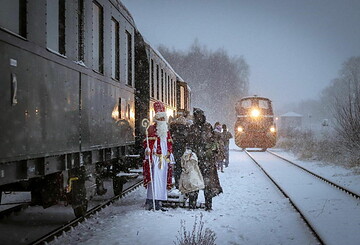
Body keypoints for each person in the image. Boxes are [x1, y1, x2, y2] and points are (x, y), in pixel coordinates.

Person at [187, 108, 222, 211]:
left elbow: (213, 142)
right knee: (194, 183)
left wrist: (212, 149)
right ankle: (192, 204)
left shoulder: (207, 127)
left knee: (208, 185)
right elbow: (189, 142)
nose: (197, 117)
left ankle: (208, 205)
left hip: (207, 161)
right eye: (196, 116)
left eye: (199, 115)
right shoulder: (193, 128)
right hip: (196, 161)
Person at [143, 101, 175, 211]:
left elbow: (169, 144)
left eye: (163, 119)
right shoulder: (151, 130)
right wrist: (148, 151)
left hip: (164, 159)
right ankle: (152, 200)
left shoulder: (166, 131)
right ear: (156, 119)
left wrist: (170, 155)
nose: (162, 121)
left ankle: (159, 200)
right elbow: (147, 143)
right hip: (156, 159)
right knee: (154, 180)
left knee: (162, 180)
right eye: (160, 119)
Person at [169, 115, 189, 189]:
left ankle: (177, 182)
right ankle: (182, 183)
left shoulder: (173, 129)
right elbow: (187, 140)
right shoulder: (185, 129)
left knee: (177, 167)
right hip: (182, 150)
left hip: (175, 150)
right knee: (183, 167)